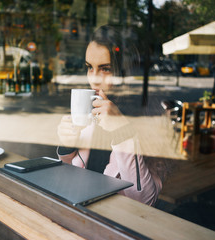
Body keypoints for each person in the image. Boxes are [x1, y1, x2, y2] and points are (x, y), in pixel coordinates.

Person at [56, 25, 162, 205]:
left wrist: (123, 132)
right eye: (90, 67)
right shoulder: (91, 112)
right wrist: (67, 146)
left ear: (126, 71)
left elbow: (145, 201)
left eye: (105, 69)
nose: (94, 78)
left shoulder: (150, 119)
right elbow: (71, 173)